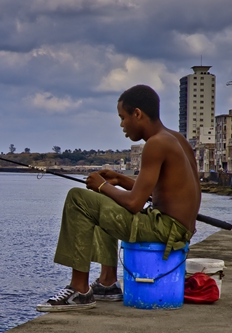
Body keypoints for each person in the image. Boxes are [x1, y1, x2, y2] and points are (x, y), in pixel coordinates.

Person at [36, 84, 201, 312]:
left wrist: (102, 185)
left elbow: (134, 203)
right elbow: (161, 193)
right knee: (105, 202)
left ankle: (80, 290)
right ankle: (107, 283)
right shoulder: (175, 139)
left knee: (78, 199)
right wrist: (119, 180)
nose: (122, 125)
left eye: (123, 117)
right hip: (177, 229)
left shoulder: (156, 144)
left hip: (165, 229)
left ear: (137, 114)